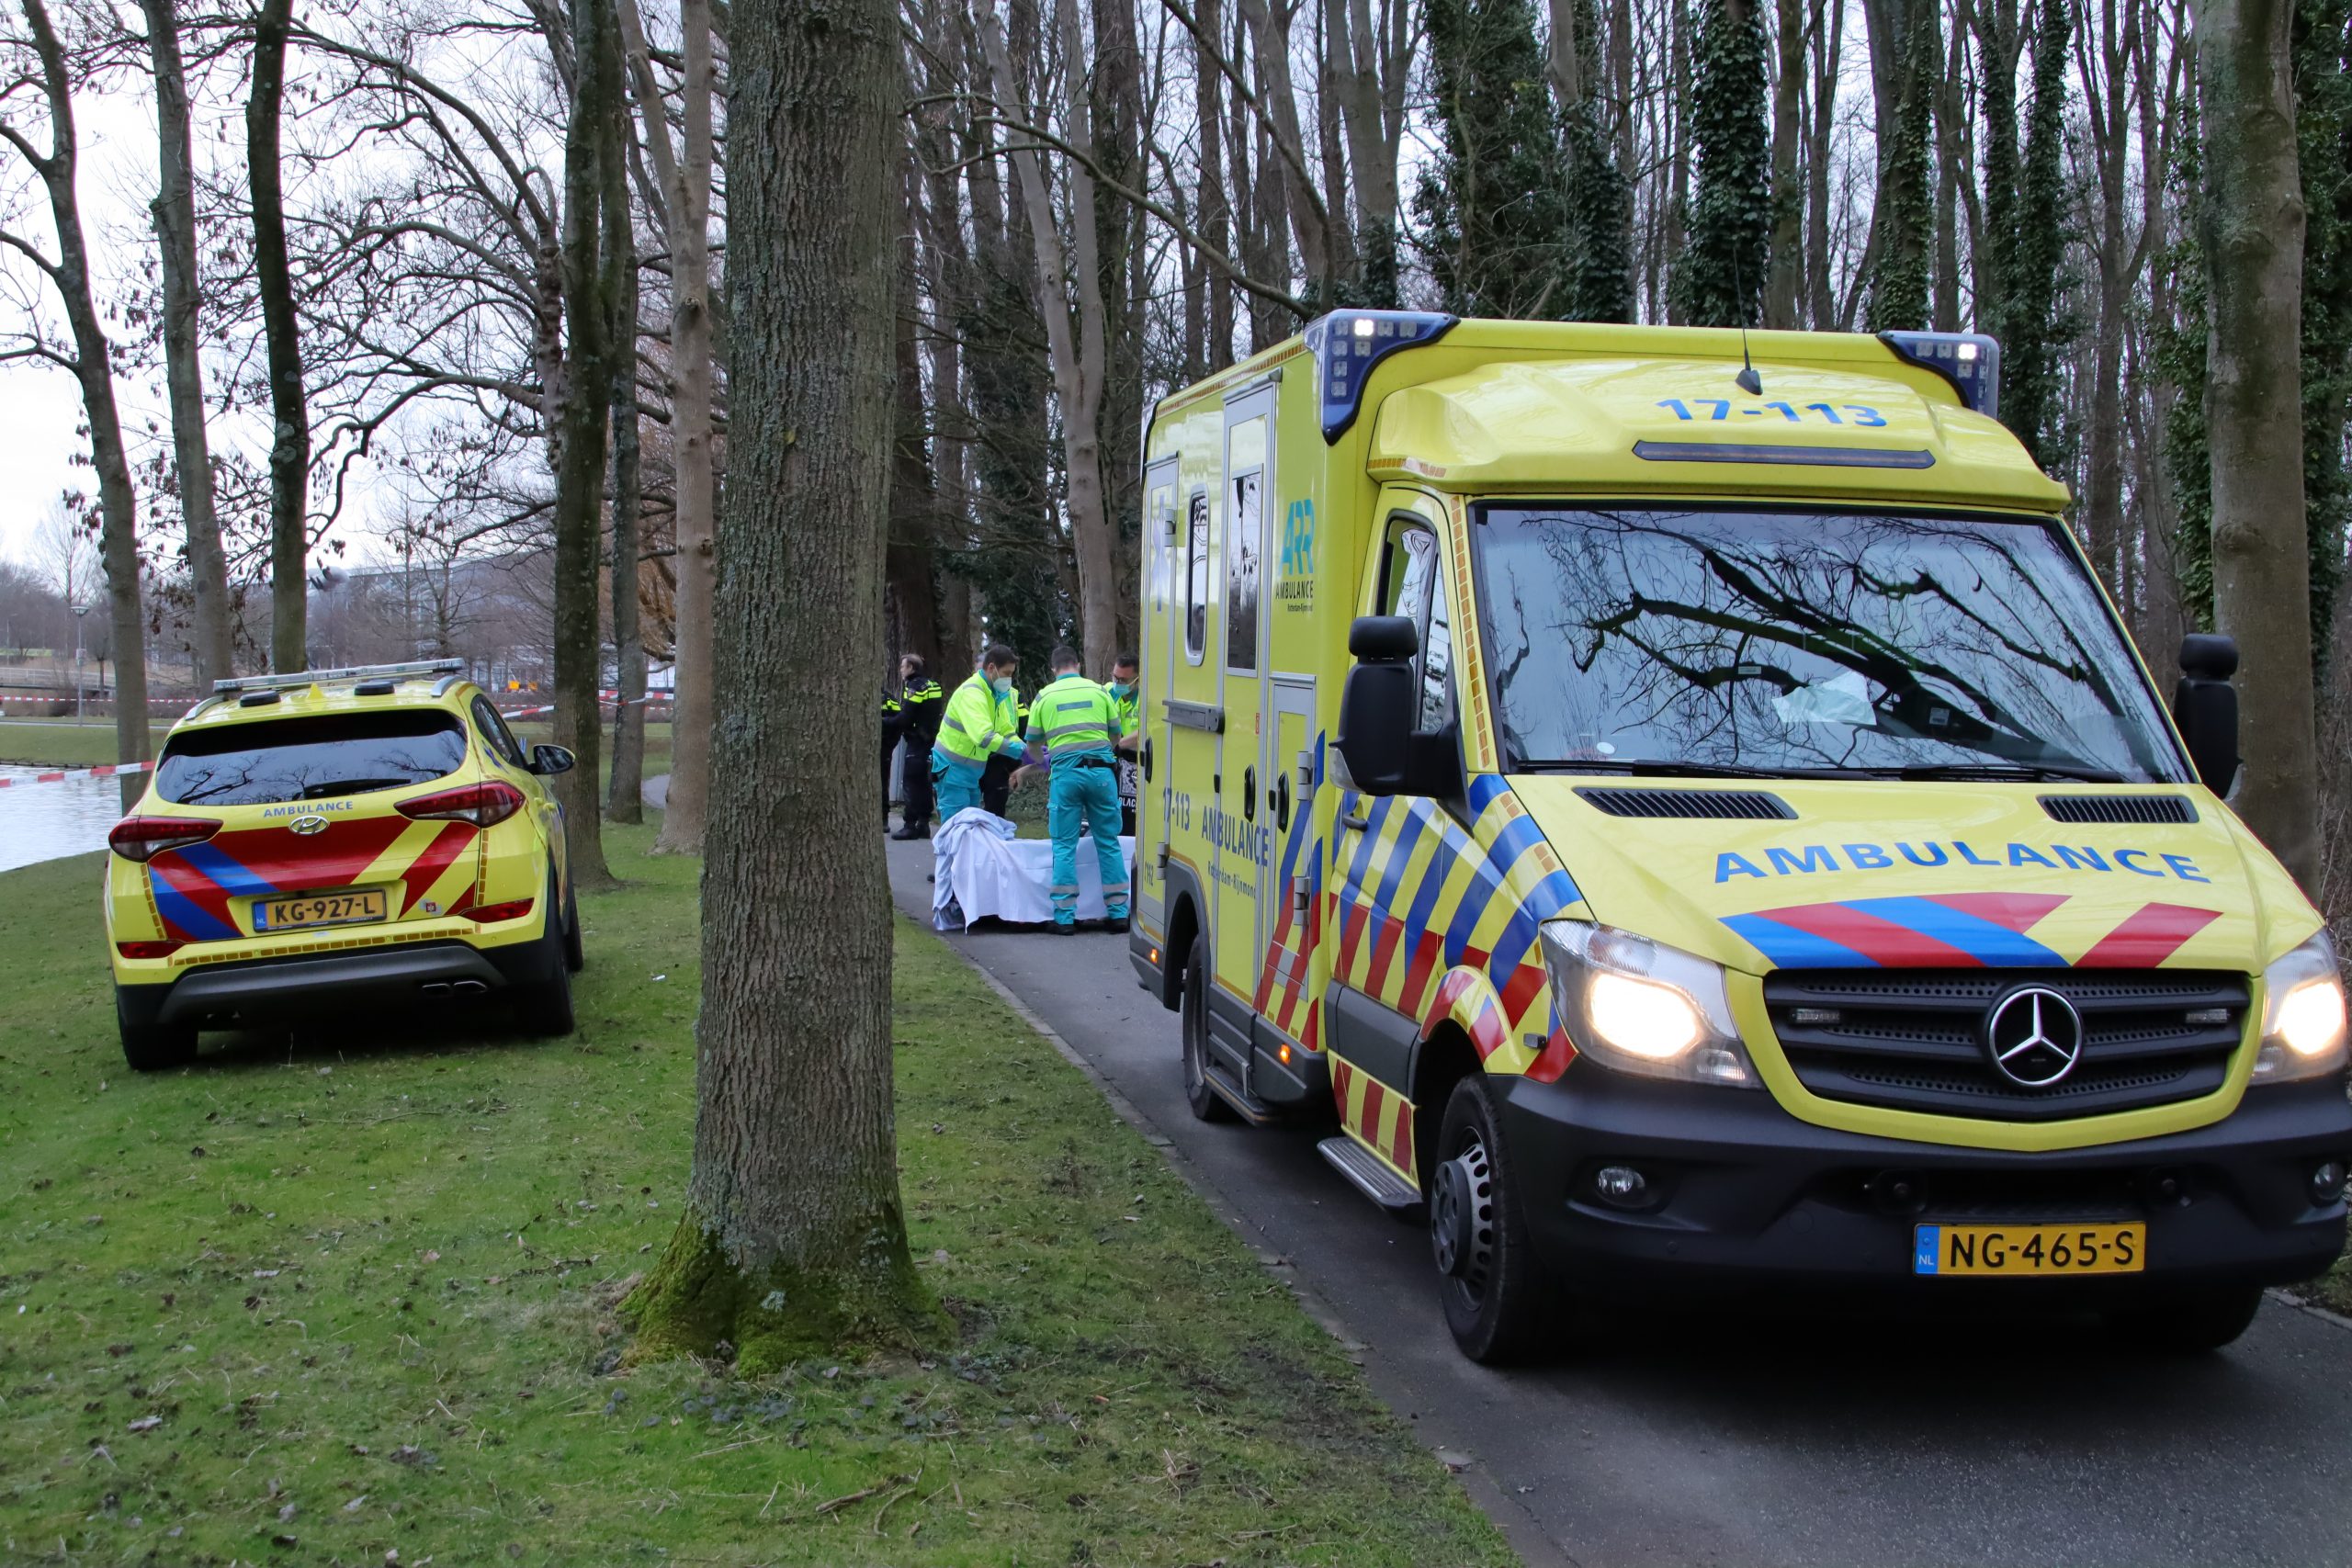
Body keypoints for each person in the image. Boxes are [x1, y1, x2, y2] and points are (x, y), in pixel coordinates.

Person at [1016, 646, 1130, 934]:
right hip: (1102, 774)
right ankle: (1118, 913)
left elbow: (1031, 744)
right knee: (1108, 842)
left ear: (1054, 669)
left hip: (1066, 776)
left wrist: (1044, 763)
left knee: (1064, 846)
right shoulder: (1100, 692)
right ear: (1078, 665)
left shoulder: (1044, 697)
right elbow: (1116, 734)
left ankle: (1065, 918)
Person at [931, 644, 1025, 827]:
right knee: (955, 833)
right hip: (952, 771)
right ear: (991, 668)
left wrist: (1024, 747)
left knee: (968, 833)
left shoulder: (995, 695)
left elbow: (1006, 730)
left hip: (969, 773)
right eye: (1007, 673)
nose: (1009, 679)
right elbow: (984, 737)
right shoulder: (973, 692)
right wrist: (1021, 752)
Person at [890, 655, 944, 840]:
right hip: (932, 740)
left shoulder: (913, 687)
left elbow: (906, 717)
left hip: (916, 740)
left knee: (911, 783)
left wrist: (885, 722)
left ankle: (910, 825)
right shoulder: (933, 685)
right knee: (924, 782)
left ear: (911, 667)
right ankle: (923, 824)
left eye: (903, 666)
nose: (900, 670)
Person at [979, 686, 1030, 818]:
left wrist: (1021, 753)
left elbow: (1024, 723)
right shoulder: (973, 692)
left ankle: (993, 834)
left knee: (995, 806)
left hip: (1001, 757)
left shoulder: (1014, 694)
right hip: (979, 756)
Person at [1106, 652, 1141, 837]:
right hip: (1113, 763)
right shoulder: (1107, 693)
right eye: (1115, 677)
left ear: (1137, 679)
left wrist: (1118, 744)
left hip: (1138, 763)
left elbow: (1149, 731)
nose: (1118, 683)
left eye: (1123, 680)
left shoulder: (1147, 697)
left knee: (1132, 819)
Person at [879, 684, 904, 825]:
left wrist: (888, 745)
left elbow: (898, 724)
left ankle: (883, 819)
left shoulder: (888, 699)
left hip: (883, 748)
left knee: (882, 782)